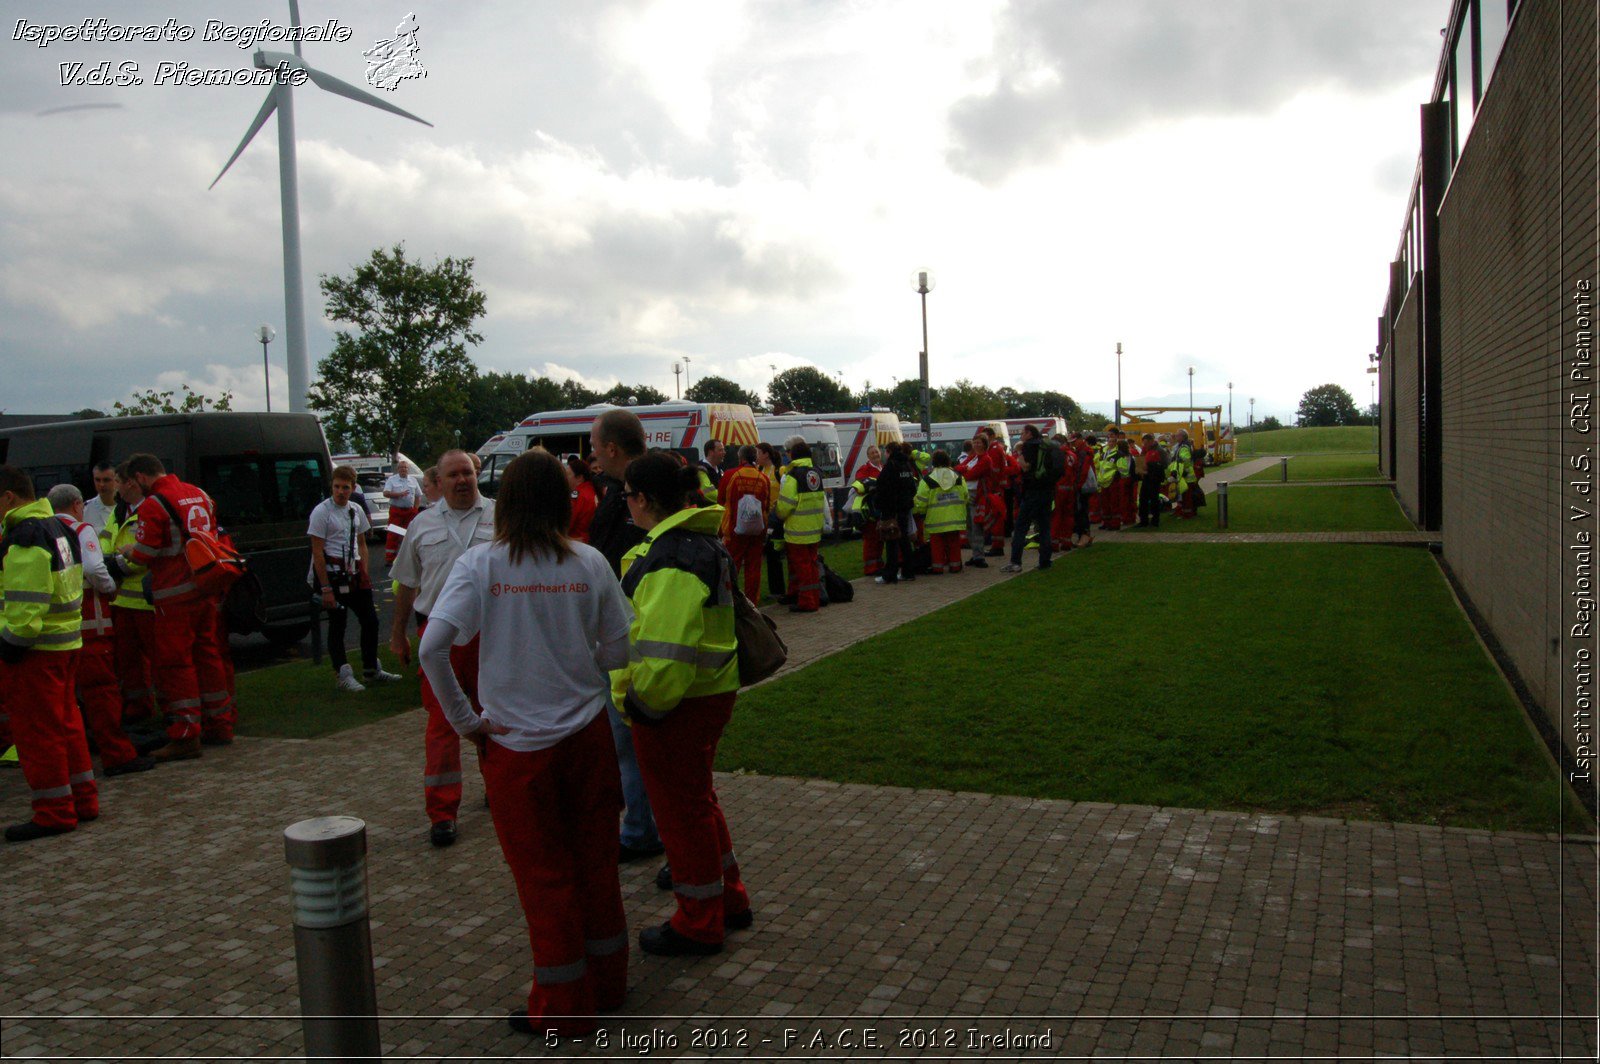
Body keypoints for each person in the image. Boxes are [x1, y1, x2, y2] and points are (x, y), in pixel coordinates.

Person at [419, 448, 633, 1038]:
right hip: (586, 736)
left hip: (516, 749)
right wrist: (578, 656)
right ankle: (609, 982)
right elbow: (619, 650)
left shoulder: (481, 566)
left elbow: (431, 649)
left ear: (504, 504)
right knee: (596, 863)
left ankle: (563, 1005)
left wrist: (467, 721)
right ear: (563, 503)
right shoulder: (588, 563)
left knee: (543, 878)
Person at [612, 452, 752, 957]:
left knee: (681, 815)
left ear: (644, 499)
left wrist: (641, 706)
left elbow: (667, 653)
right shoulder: (695, 541)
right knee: (699, 803)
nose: (624, 503)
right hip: (704, 697)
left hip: (676, 705)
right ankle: (729, 899)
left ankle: (698, 922)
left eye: (627, 495)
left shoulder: (670, 555)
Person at [390, 450, 495, 848]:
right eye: (453, 475)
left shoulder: (500, 517)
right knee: (442, 726)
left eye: (467, 473)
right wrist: (398, 633)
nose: (462, 480)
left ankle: (498, 788)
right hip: (440, 639)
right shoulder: (421, 524)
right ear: (440, 479)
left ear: (476, 475)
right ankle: (442, 813)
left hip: (490, 636)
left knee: (495, 714)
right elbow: (405, 583)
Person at [0, 465, 98, 841]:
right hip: (66, 644)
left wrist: (7, 648)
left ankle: (54, 811)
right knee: (67, 725)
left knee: (38, 734)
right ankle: (82, 800)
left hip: (34, 652)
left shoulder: (24, 536)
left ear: (9, 497)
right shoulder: (58, 527)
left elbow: (25, 617)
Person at [122, 453, 235, 760]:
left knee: (176, 664)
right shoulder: (199, 493)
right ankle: (220, 723)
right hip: (204, 585)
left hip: (174, 592)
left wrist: (126, 552)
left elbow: (144, 554)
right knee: (208, 654)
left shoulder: (154, 503)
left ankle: (186, 734)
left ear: (141, 478)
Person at [587, 409, 662, 862]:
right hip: (626, 630)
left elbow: (616, 561)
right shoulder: (622, 490)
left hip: (639, 634)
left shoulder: (638, 492)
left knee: (637, 743)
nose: (592, 454)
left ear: (612, 448)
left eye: (595, 446)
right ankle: (640, 827)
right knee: (628, 744)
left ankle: (647, 832)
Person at [47, 484, 151, 777]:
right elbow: (94, 569)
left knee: (66, 698)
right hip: (91, 625)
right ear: (78, 504)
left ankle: (73, 757)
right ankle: (117, 755)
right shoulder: (80, 531)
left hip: (57, 630)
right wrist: (109, 586)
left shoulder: (42, 532)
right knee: (102, 693)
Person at [309, 465, 401, 693]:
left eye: (345, 487)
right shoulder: (322, 512)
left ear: (353, 488)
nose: (340, 491)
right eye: (337, 487)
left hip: (354, 573)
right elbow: (317, 551)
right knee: (338, 624)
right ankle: (342, 672)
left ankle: (371, 668)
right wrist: (326, 588)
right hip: (332, 574)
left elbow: (362, 544)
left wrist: (364, 572)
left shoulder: (355, 510)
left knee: (370, 620)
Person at [106, 466, 157, 726]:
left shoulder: (148, 509)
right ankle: (139, 709)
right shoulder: (119, 511)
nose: (114, 486)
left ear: (131, 484)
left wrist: (114, 566)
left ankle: (165, 710)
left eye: (117, 481)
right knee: (129, 663)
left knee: (157, 660)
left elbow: (145, 552)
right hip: (122, 600)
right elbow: (107, 542)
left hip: (146, 601)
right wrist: (110, 563)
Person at [774, 436, 826, 611]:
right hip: (814, 528)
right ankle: (805, 596)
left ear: (792, 455)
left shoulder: (793, 475)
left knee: (802, 567)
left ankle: (807, 602)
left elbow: (785, 505)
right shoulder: (816, 472)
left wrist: (777, 512)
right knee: (809, 565)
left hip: (797, 530)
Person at [718, 445, 771, 602]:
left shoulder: (729, 475)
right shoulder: (763, 478)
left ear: (740, 458)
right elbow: (766, 505)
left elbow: (720, 501)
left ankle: (731, 600)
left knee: (731, 567)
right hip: (757, 530)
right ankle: (752, 602)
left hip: (734, 530)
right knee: (753, 568)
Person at [1002, 425, 1058, 573]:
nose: (1021, 436)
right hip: (1047, 490)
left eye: (1022, 433)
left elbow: (1026, 467)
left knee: (1021, 527)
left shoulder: (1028, 446)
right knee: (1045, 527)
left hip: (1032, 491)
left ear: (1029, 433)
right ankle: (1045, 561)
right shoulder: (1047, 446)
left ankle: (1015, 562)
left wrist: (1020, 451)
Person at [913, 450, 969, 574]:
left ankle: (937, 568)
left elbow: (921, 501)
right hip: (955, 518)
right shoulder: (958, 477)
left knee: (937, 545)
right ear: (948, 460)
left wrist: (920, 512)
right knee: (954, 543)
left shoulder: (928, 479)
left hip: (935, 520)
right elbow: (965, 495)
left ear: (933, 462)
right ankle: (955, 566)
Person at [872, 443, 920, 584]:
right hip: (905, 508)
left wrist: (880, 505)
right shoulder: (906, 465)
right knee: (904, 541)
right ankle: (908, 572)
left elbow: (882, 488)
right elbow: (913, 487)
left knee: (891, 541)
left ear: (889, 452)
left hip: (892, 510)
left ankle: (890, 574)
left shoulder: (891, 466)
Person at [846, 445, 885, 576]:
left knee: (880, 538)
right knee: (870, 540)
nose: (875, 454)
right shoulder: (865, 469)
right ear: (868, 456)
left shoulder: (883, 468)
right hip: (869, 510)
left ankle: (879, 564)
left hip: (881, 509)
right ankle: (870, 568)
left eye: (877, 452)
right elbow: (860, 485)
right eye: (872, 453)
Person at [755, 442, 786, 600]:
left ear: (766, 454)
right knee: (768, 553)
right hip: (763, 518)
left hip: (777, 518)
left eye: (758, 453)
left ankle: (779, 590)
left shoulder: (780, 471)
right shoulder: (759, 470)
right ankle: (775, 589)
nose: (756, 456)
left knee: (774, 552)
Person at [382, 459, 423, 566]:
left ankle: (409, 558)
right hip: (396, 512)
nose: (403, 469)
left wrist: (415, 509)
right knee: (393, 534)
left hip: (410, 512)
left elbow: (418, 495)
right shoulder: (392, 480)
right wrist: (399, 494)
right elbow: (385, 493)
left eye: (405, 468)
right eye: (401, 467)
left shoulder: (413, 480)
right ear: (398, 469)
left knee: (410, 534)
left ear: (408, 469)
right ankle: (390, 559)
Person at [565, 454, 598, 543]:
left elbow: (565, 525)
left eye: (567, 475)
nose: (564, 478)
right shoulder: (593, 491)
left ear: (579, 478)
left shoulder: (577, 496)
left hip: (576, 543)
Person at [1137, 433, 1167, 528]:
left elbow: (1163, 465)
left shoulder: (1159, 450)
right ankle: (1143, 520)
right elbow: (1141, 461)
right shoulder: (1146, 450)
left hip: (1154, 478)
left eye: (1146, 443)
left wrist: (1149, 466)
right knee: (1143, 499)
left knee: (1154, 500)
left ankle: (1155, 520)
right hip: (1146, 478)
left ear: (1151, 441)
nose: (1144, 445)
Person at [83, 462, 118, 535]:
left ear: (116, 480)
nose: (101, 484)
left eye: (106, 480)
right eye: (97, 480)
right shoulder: (85, 510)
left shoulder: (128, 508)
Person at [695, 440, 725, 506]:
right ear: (711, 452)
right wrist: (726, 499)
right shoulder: (700, 469)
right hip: (706, 511)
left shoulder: (720, 470)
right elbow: (707, 491)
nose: (724, 453)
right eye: (720, 450)